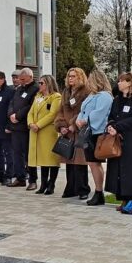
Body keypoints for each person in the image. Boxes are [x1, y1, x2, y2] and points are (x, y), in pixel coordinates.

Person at [105, 73, 132, 213]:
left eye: (121, 81)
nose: (118, 83)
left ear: (130, 83)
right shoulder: (117, 99)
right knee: (118, 169)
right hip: (117, 139)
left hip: (131, 140)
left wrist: (118, 127)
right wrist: (111, 126)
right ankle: (123, 199)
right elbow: (111, 116)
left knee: (131, 169)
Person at [76, 69, 114, 206]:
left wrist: (85, 120)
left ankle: (99, 192)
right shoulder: (92, 95)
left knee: (94, 162)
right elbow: (83, 110)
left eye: (91, 79)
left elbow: (100, 113)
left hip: (97, 132)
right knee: (91, 163)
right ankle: (98, 192)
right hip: (88, 131)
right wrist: (79, 119)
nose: (88, 82)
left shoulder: (105, 96)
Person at [56, 68, 91, 200]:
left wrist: (73, 125)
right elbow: (60, 111)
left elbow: (85, 111)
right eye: (69, 76)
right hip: (67, 132)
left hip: (79, 130)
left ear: (80, 77)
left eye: (73, 76)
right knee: (69, 161)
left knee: (80, 162)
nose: (70, 78)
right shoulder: (66, 91)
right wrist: (61, 126)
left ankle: (83, 189)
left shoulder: (86, 91)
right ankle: (71, 188)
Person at [27, 74, 62, 194]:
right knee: (42, 159)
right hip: (36, 132)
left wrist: (38, 125)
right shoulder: (38, 96)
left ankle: (51, 184)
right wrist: (31, 123)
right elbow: (30, 112)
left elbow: (52, 114)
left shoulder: (56, 97)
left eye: (41, 83)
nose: (39, 85)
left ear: (48, 84)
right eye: (39, 83)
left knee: (51, 159)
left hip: (48, 132)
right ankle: (43, 184)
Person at [7, 67, 39, 189]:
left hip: (26, 126)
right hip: (15, 126)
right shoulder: (19, 89)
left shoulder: (35, 89)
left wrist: (18, 116)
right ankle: (20, 178)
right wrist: (11, 114)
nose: (21, 81)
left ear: (30, 77)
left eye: (23, 79)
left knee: (29, 154)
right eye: (20, 79)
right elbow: (12, 103)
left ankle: (32, 179)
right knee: (17, 153)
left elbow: (31, 106)